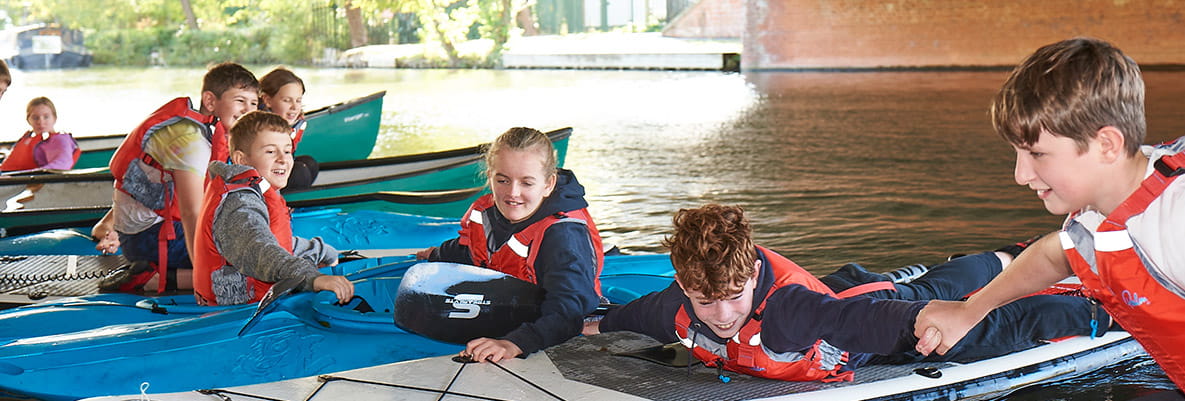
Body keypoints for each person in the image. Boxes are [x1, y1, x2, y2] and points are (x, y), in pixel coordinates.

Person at [913, 37, 1185, 390]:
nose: (1020, 175)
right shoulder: (1095, 217)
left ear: (1106, 145)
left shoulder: (1174, 219)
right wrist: (970, 310)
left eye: (1037, 155)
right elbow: (1056, 253)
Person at [585, 204, 1111, 382]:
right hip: (844, 290)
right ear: (683, 288)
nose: (720, 317)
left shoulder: (790, 312)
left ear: (750, 277)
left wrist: (931, 322)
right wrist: (554, 332)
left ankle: (1097, 311)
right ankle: (996, 259)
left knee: (961, 322)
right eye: (705, 302)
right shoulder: (676, 304)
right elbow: (617, 319)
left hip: (860, 312)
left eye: (733, 297)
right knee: (937, 287)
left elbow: (873, 326)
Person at [416, 127, 603, 363]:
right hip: (509, 308)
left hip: (551, 326)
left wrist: (515, 343)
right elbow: (472, 251)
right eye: (502, 180)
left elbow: (568, 309)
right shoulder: (487, 211)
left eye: (527, 183)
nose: (513, 193)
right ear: (490, 176)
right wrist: (437, 255)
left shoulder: (563, 235)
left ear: (548, 184)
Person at [92, 62, 259, 293]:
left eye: (254, 103)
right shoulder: (192, 143)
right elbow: (192, 213)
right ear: (210, 101)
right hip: (149, 239)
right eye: (240, 101)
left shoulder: (199, 129)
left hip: (150, 229)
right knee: (251, 270)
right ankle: (154, 279)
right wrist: (204, 273)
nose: (248, 110)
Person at [192, 111, 351, 305]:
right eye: (270, 151)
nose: (283, 159)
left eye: (287, 150)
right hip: (240, 315)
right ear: (242, 160)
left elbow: (275, 240)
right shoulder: (239, 203)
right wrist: (312, 278)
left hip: (259, 304)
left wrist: (322, 251)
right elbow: (259, 250)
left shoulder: (255, 191)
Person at [257, 67, 317, 190]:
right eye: (287, 100)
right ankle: (283, 205)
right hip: (262, 178)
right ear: (268, 100)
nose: (295, 107)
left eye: (298, 101)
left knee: (310, 163)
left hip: (279, 169)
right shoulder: (259, 127)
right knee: (300, 172)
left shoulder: (295, 123)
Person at [0, 97, 81, 171]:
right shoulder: (27, 139)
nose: (40, 122)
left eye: (46, 117)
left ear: (54, 118)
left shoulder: (61, 140)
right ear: (28, 120)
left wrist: (38, 173)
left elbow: (62, 163)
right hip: (8, 178)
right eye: (35, 118)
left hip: (33, 181)